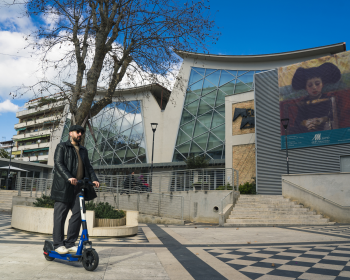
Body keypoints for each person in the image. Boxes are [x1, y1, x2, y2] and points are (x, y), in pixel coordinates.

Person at [51, 125, 100, 254]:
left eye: (81, 133)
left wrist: (94, 179)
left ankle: (70, 242)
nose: (80, 134)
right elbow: (58, 163)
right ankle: (58, 244)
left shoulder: (83, 150)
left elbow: (88, 167)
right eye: (78, 132)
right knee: (60, 216)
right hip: (64, 187)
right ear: (70, 133)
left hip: (79, 187)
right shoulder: (62, 146)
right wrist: (69, 177)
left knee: (78, 214)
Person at [291, 62, 341, 134]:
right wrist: (306, 123)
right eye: (310, 85)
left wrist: (321, 120)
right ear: (306, 88)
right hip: (308, 131)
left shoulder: (328, 99)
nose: (314, 87)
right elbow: (299, 120)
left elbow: (334, 115)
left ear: (322, 84)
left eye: (317, 84)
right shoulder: (303, 103)